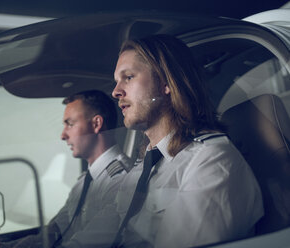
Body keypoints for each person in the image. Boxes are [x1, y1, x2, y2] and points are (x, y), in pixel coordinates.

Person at [110, 34, 264, 248]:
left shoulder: (212, 162)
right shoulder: (142, 166)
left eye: (128, 77)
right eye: (116, 81)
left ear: (165, 83)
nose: (116, 91)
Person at [0, 90, 132, 248]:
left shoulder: (121, 181)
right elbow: (55, 230)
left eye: (70, 124)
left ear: (96, 124)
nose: (63, 135)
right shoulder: (84, 181)